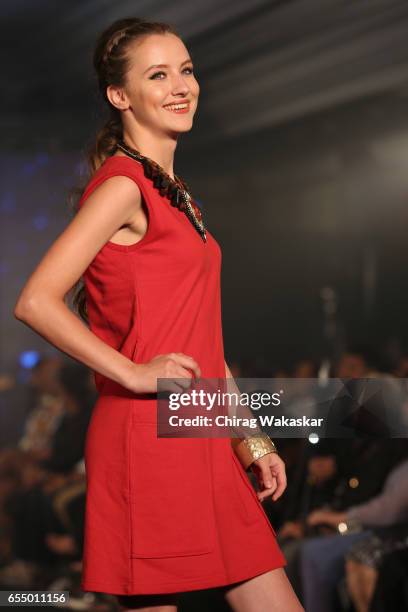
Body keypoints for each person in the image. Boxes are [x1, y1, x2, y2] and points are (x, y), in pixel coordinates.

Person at [13, 16, 303, 612]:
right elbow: (35, 300)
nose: (181, 86)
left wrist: (250, 439)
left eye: (187, 70)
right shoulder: (123, 186)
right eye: (158, 74)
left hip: (201, 433)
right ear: (120, 96)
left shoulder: (177, 192)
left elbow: (204, 341)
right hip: (147, 442)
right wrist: (135, 372)